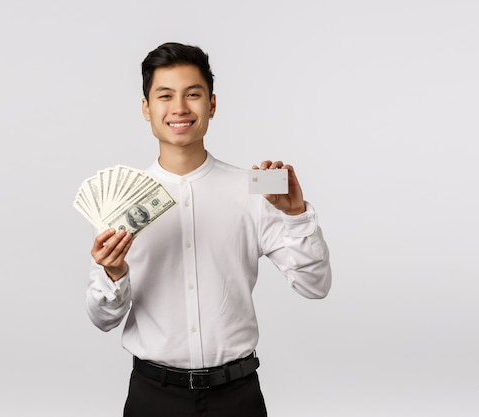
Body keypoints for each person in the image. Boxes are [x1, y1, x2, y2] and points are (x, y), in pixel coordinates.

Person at [86, 42, 332, 417]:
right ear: (146, 108)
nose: (180, 108)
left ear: (212, 105)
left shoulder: (254, 189)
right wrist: (113, 273)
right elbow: (103, 319)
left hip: (237, 397)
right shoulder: (122, 201)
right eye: (165, 95)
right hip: (154, 397)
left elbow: (316, 287)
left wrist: (296, 214)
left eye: (193, 94)